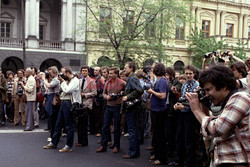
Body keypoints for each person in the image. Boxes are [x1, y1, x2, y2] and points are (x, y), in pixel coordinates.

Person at [186, 65, 250, 167]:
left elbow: (217, 128)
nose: (206, 94)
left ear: (224, 85)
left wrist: (196, 109)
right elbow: (209, 132)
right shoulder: (226, 103)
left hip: (237, 163)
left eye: (208, 89)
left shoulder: (240, 97)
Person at [43, 66, 81, 152]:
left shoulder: (75, 80)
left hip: (69, 103)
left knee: (69, 125)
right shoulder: (65, 81)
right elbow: (60, 90)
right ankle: (53, 143)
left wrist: (63, 82)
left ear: (68, 73)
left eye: (63, 73)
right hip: (63, 102)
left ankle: (68, 146)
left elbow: (68, 90)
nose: (61, 75)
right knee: (58, 124)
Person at [172, 65, 201, 167]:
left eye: (190, 73)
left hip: (190, 115)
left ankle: (189, 163)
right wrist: (177, 104)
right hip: (182, 114)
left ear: (194, 74)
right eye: (187, 73)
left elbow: (195, 103)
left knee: (189, 140)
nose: (188, 75)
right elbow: (183, 98)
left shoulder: (196, 85)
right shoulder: (184, 85)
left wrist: (183, 107)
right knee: (179, 137)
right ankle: (179, 160)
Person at [96, 67, 126, 153]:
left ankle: (116, 145)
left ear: (116, 74)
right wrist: (106, 97)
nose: (110, 75)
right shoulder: (107, 82)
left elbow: (126, 92)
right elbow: (104, 93)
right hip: (108, 106)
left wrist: (120, 95)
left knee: (116, 127)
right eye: (109, 73)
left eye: (112, 73)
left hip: (117, 106)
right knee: (105, 126)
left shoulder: (122, 83)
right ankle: (103, 145)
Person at [146, 63, 169, 165]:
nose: (151, 70)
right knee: (156, 134)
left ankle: (162, 158)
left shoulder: (163, 81)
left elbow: (163, 95)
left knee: (160, 135)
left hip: (160, 111)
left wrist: (152, 92)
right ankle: (157, 153)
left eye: (153, 68)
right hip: (155, 110)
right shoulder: (159, 80)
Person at [122, 61, 143, 159]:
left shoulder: (133, 78)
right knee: (132, 129)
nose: (124, 69)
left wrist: (127, 97)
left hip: (133, 108)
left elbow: (139, 90)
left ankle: (132, 152)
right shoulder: (130, 78)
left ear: (131, 69)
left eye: (126, 68)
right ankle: (134, 152)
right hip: (132, 107)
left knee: (132, 130)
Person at [76, 65, 97, 147]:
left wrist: (85, 95)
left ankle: (84, 141)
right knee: (79, 123)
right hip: (80, 104)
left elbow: (94, 93)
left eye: (85, 71)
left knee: (84, 123)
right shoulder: (79, 81)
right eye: (83, 71)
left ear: (88, 72)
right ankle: (80, 140)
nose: (84, 72)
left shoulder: (91, 81)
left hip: (87, 103)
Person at [42, 66, 60, 141]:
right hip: (51, 97)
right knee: (52, 118)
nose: (49, 74)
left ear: (54, 72)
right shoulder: (53, 79)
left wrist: (43, 79)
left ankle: (54, 136)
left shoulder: (56, 79)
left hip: (53, 98)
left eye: (50, 72)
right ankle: (54, 135)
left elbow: (49, 86)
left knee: (54, 119)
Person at [92, 67, 105, 137]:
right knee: (95, 115)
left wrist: (95, 91)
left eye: (96, 70)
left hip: (100, 99)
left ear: (99, 71)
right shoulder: (95, 78)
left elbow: (103, 89)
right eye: (94, 70)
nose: (95, 71)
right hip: (95, 98)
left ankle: (99, 130)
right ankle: (95, 129)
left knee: (99, 115)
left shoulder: (101, 78)